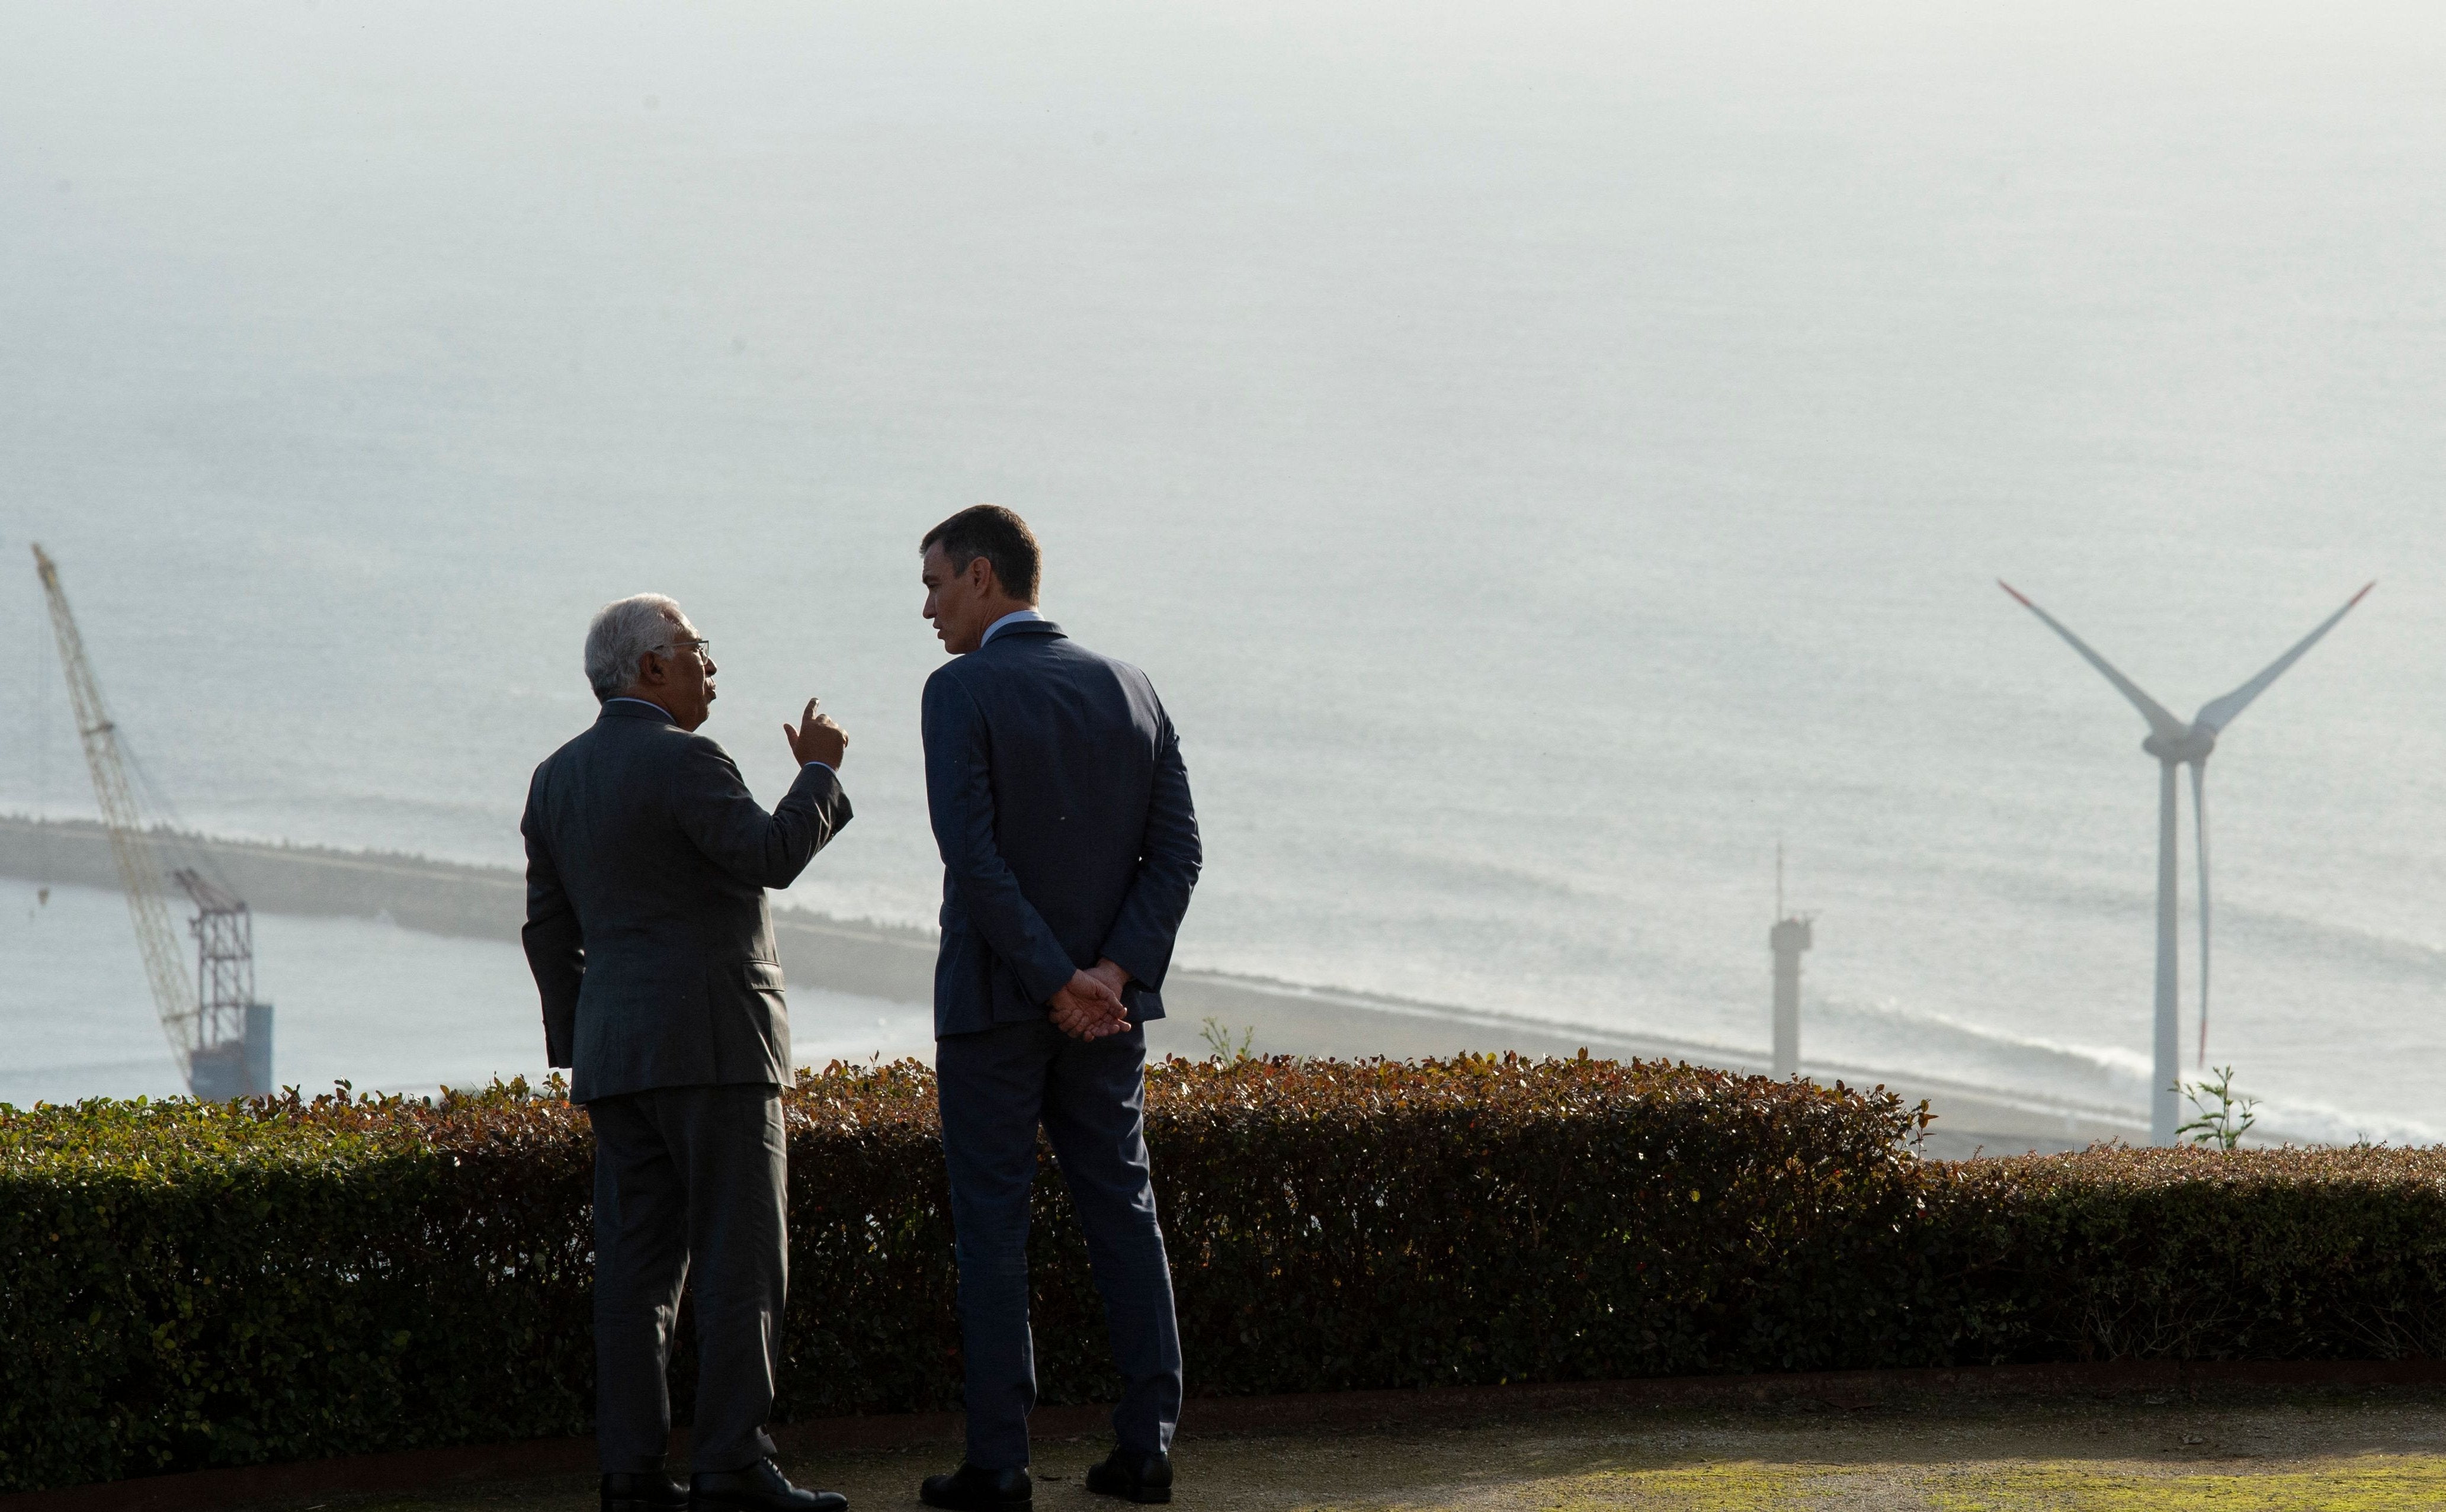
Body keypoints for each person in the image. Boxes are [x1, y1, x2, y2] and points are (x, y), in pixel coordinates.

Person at [522, 593, 855, 1512]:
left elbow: (548, 932)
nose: (711, 666)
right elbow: (771, 853)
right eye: (698, 649)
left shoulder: (555, 778)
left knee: (635, 1272)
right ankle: (731, 1463)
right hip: (717, 1049)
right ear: (652, 669)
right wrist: (819, 773)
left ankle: (630, 1472)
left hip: (616, 1059)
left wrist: (582, 1037)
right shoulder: (688, 757)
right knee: (741, 1260)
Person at [912, 508, 1203, 1510]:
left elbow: (975, 860)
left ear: (984, 577)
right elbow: (1178, 855)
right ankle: (1148, 1445)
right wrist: (1111, 976)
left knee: (992, 1231)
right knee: (1123, 1209)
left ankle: (999, 1463)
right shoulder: (1132, 686)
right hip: (1107, 1016)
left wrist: (1053, 979)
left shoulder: (959, 690)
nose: (928, 607)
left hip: (997, 1004)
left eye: (937, 584)